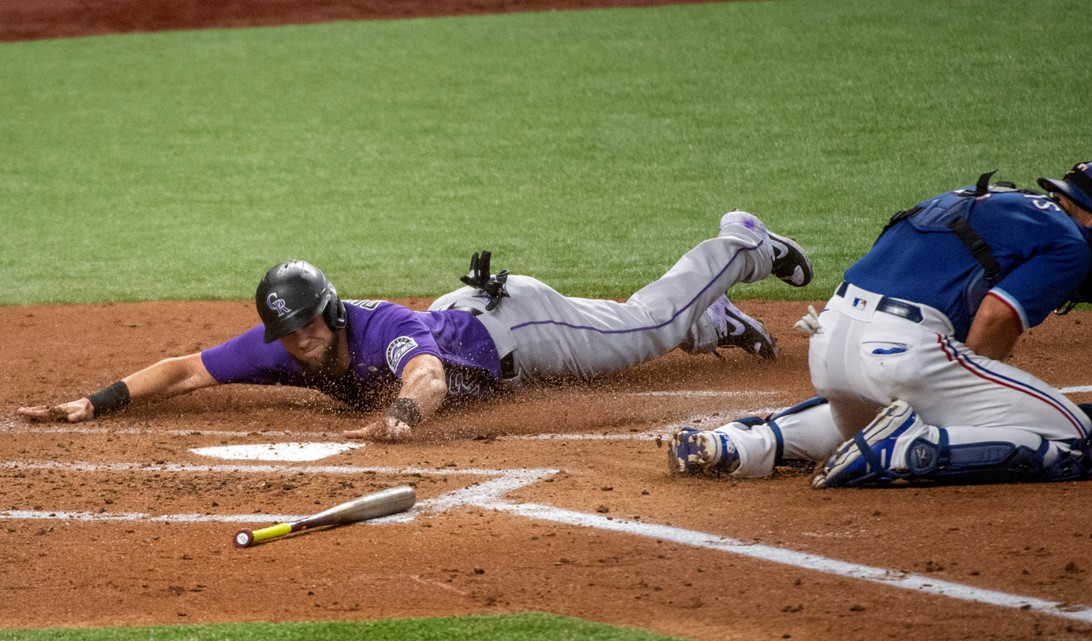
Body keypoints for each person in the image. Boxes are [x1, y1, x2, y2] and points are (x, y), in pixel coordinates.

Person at [18, 210, 813, 441]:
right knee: (661, 330)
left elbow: (425, 377)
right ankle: (714, 327)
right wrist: (99, 400)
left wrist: (400, 417)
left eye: (305, 329)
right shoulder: (286, 347)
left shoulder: (382, 327)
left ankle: (741, 246)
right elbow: (187, 367)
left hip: (519, 329)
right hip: (492, 335)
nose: (297, 344)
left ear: (328, 313)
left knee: (645, 325)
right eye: (284, 334)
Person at [669, 161, 1092, 487]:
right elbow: (996, 316)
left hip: (829, 340)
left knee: (869, 419)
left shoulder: (982, 200)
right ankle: (907, 451)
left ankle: (738, 446)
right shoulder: (1071, 241)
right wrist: (971, 397)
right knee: (1076, 438)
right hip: (902, 351)